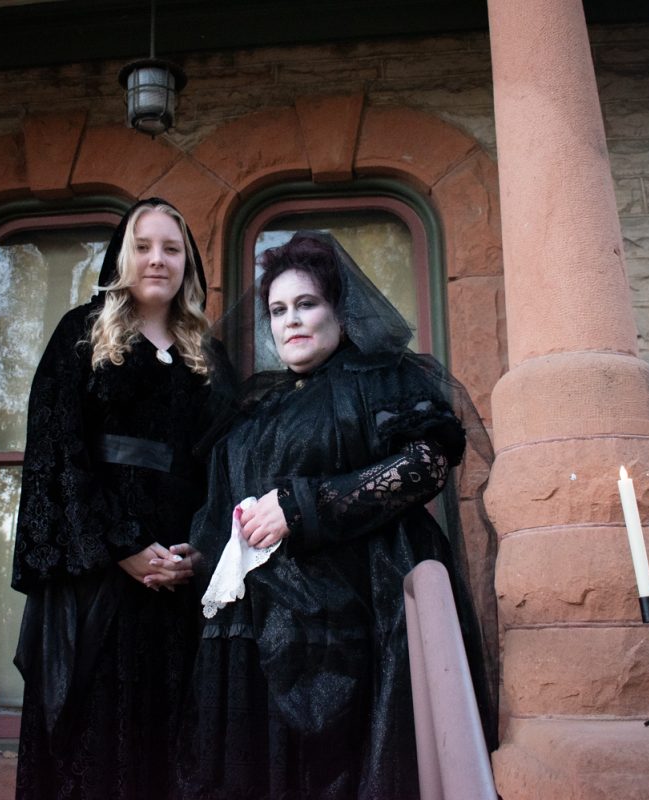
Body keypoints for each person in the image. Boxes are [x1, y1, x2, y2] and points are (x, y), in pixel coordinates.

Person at [179, 231, 498, 800]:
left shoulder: (383, 378)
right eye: (278, 310)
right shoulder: (256, 408)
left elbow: (425, 464)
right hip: (263, 631)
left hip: (366, 617)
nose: (290, 321)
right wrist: (197, 555)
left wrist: (301, 508)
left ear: (340, 312)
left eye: (307, 304)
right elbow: (221, 510)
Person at [11, 198, 217, 800]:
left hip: (177, 584)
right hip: (95, 581)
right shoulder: (82, 333)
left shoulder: (205, 355)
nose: (158, 259)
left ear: (188, 262)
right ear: (123, 255)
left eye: (172, 248)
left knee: (168, 747)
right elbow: (56, 452)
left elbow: (219, 463)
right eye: (145, 245)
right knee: (92, 751)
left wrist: (197, 553)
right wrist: (121, 547)